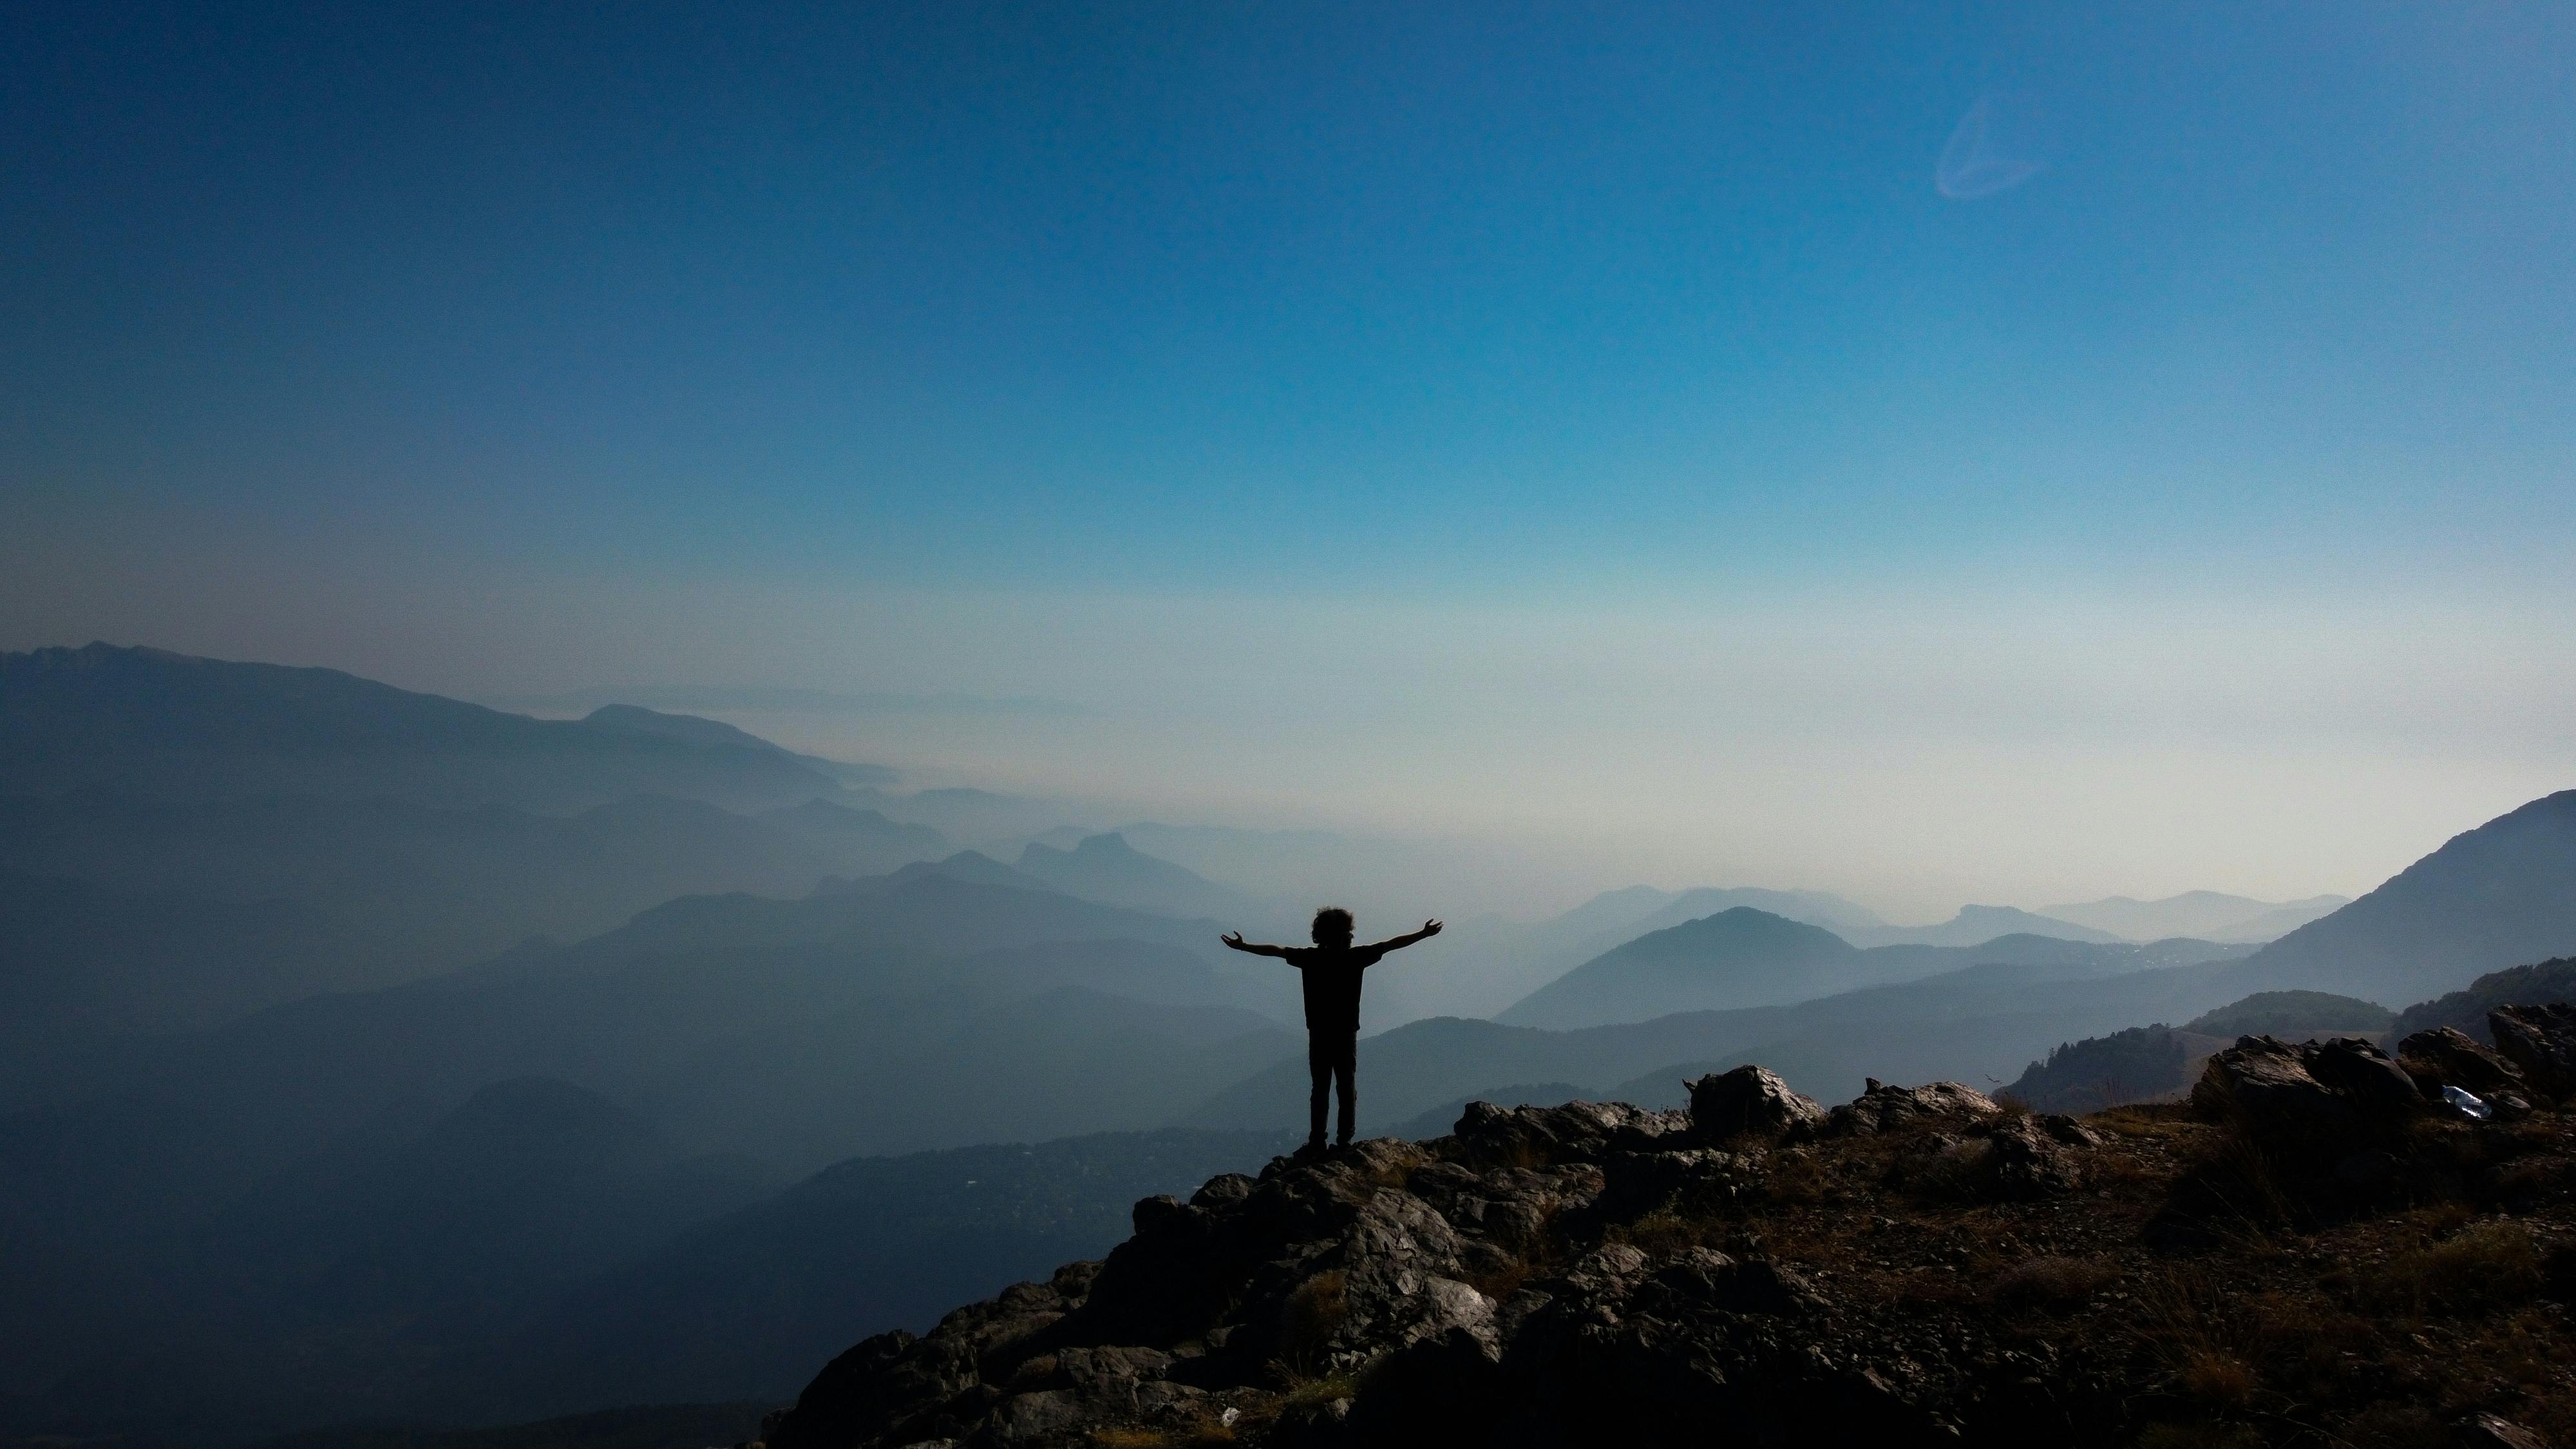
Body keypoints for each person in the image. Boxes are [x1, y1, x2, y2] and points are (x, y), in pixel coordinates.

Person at [1222, 908, 1442, 1153]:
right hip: (1346, 1032)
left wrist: (1244, 947)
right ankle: (1344, 1140)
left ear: (1320, 934)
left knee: (1320, 1089)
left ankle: (1318, 1140)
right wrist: (1423, 934)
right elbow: (1391, 945)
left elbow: (1275, 951)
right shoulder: (1355, 957)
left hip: (1319, 1032)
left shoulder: (1311, 959)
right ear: (1346, 933)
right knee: (1346, 1087)